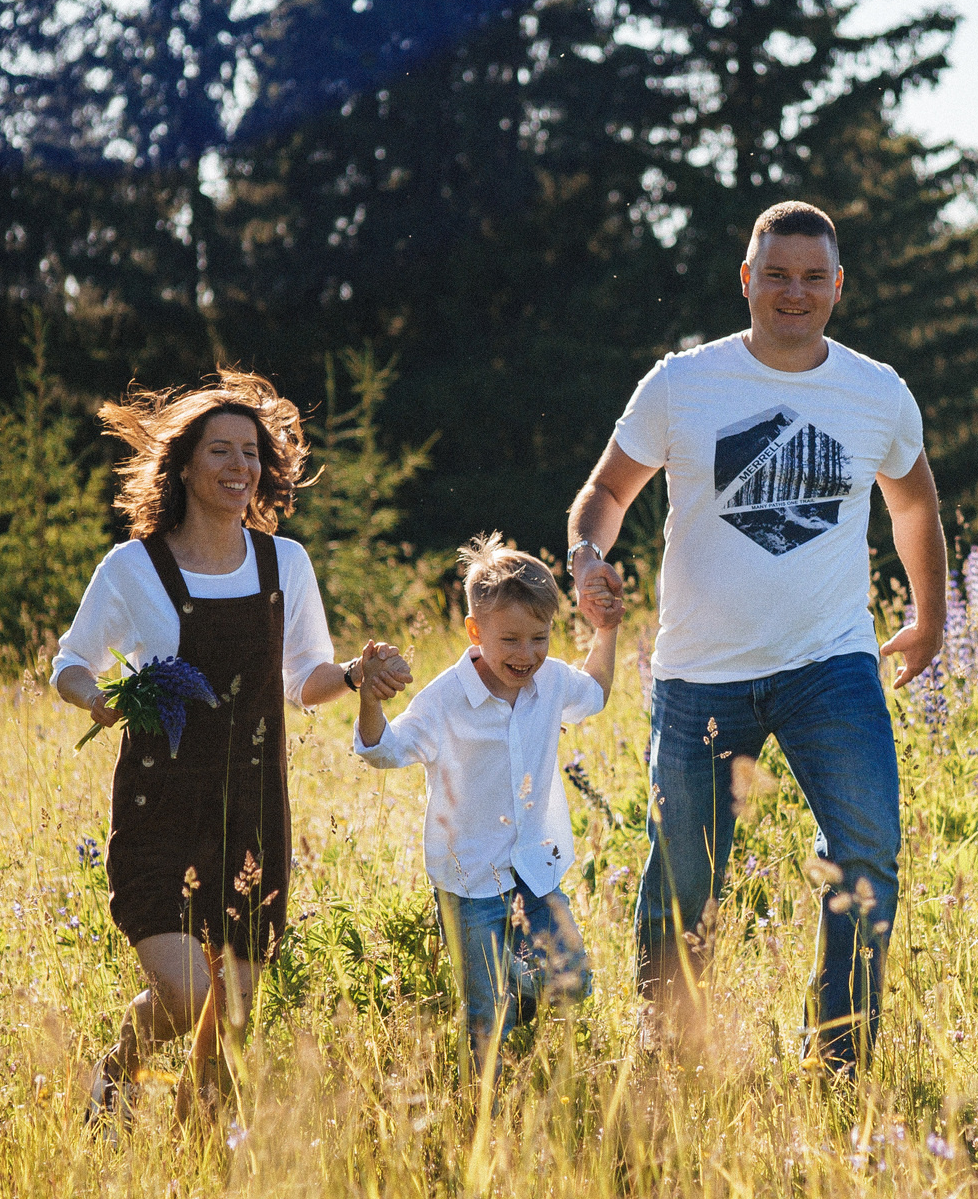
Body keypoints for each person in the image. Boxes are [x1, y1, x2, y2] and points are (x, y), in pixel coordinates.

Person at [565, 200, 946, 1071]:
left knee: (866, 853)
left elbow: (914, 499)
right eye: (776, 274)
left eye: (813, 277)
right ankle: (669, 1058)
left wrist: (932, 616)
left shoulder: (875, 391)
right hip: (701, 674)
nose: (794, 292)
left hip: (830, 664)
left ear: (839, 287)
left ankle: (840, 1060)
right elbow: (606, 494)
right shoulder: (682, 383)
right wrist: (588, 555)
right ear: (747, 279)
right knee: (683, 881)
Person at [55, 371, 407, 1124]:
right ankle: (115, 1069)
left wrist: (352, 674)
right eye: (221, 450)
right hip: (159, 810)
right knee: (186, 996)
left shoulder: (287, 564)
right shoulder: (133, 568)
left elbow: (303, 679)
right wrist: (101, 699)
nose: (239, 467)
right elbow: (69, 663)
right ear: (184, 464)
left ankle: (197, 1159)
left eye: (251, 453)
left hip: (252, 812)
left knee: (233, 1023)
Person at [352, 536, 625, 1078]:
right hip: (470, 880)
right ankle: (483, 1106)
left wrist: (608, 630)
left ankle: (522, 992)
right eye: (511, 640)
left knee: (573, 979)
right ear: (476, 632)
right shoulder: (444, 699)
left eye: (540, 638)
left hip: (535, 871)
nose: (527, 655)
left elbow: (594, 689)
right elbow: (383, 750)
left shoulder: (549, 681)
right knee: (484, 1015)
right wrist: (369, 696)